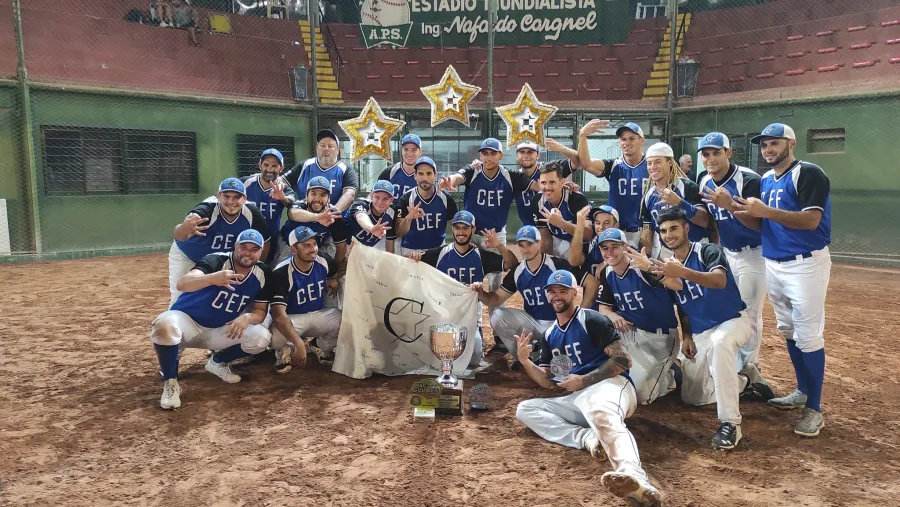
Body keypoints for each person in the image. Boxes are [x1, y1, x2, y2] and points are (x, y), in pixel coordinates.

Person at [514, 270, 662, 506]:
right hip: (579, 396)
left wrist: (584, 380)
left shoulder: (592, 320)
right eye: (552, 291)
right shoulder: (550, 334)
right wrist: (525, 361)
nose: (557, 296)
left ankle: (635, 477)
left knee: (601, 412)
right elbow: (546, 381)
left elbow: (623, 361)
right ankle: (588, 438)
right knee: (525, 409)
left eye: (563, 291)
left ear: (575, 293)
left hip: (610, 385)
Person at [634, 208, 774, 450]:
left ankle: (730, 423)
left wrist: (682, 272)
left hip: (733, 320)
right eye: (664, 231)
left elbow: (718, 281)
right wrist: (687, 336)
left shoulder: (707, 250)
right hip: (701, 331)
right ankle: (745, 380)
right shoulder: (670, 266)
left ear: (686, 228)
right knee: (694, 397)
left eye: (674, 228)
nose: (668, 235)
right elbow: (681, 302)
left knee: (721, 343)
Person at [733, 123, 832, 437]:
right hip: (774, 262)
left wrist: (765, 211)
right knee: (788, 329)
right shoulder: (765, 179)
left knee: (809, 335)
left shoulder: (808, 173)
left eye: (774, 143)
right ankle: (802, 390)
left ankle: (814, 410)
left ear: (791, 143)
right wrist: (734, 210)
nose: (768, 150)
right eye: (764, 145)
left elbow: (811, 220)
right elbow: (763, 224)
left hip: (806, 264)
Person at [150, 229, 274, 410]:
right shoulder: (217, 260)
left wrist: (248, 317)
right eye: (243, 247)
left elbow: (260, 311)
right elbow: (183, 283)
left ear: (261, 252)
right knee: (164, 325)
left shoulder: (263, 273)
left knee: (261, 337)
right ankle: (170, 383)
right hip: (188, 323)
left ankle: (217, 362)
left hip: (219, 330)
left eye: (254, 249)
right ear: (235, 246)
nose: (248, 253)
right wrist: (212, 278)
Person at [474, 225, 600, 366]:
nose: (525, 249)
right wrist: (480, 293)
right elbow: (496, 299)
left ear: (539, 243)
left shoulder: (556, 264)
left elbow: (592, 283)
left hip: (559, 326)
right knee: (498, 317)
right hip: (533, 325)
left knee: (566, 362)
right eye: (521, 245)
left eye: (529, 244)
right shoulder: (518, 271)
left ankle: (548, 355)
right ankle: (528, 358)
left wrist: (580, 313)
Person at [408, 211, 519, 366]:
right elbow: (409, 263)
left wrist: (499, 245)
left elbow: (512, 264)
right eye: (457, 227)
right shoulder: (439, 254)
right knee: (432, 354)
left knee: (473, 359)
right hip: (443, 315)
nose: (461, 232)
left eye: (465, 228)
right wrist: (414, 257)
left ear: (473, 230)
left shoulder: (481, 256)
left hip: (470, 317)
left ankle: (475, 337)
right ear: (452, 229)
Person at [438, 138, 535, 312]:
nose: (488, 157)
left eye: (493, 153)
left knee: (496, 282)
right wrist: (449, 181)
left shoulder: (510, 175)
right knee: (469, 278)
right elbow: (458, 177)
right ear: (480, 155)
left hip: (495, 235)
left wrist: (562, 185)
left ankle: (497, 323)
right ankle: (467, 317)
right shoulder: (473, 171)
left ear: (500, 155)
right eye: (485, 153)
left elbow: (538, 186)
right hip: (471, 234)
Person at [697, 133, 766, 371]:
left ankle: (748, 368)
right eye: (706, 154)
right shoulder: (704, 181)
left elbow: (760, 225)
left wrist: (730, 205)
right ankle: (730, 362)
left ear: (728, 152)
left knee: (749, 312)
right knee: (728, 308)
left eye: (716, 153)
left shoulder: (748, 180)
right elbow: (713, 221)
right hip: (727, 254)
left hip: (755, 253)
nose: (710, 159)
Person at [592, 228, 680, 405]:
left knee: (641, 396)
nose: (609, 252)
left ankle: (673, 375)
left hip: (660, 339)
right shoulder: (608, 273)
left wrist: (650, 267)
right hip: (629, 334)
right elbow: (603, 308)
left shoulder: (643, 266)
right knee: (594, 341)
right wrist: (612, 316)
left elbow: (677, 285)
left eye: (614, 246)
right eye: (604, 248)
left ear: (625, 246)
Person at [168, 177, 271, 306]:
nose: (231, 201)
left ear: (244, 198)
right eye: (226, 196)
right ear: (219, 196)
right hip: (188, 256)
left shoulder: (251, 213)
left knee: (221, 298)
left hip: (219, 261)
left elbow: (265, 242)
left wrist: (253, 264)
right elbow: (179, 236)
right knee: (180, 296)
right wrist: (185, 227)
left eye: (236, 197)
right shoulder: (207, 209)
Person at [269, 226, 343, 369]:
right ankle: (283, 352)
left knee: (343, 320)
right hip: (292, 318)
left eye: (314, 244)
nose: (313, 249)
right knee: (277, 339)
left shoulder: (323, 260)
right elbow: (278, 315)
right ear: (293, 249)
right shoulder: (281, 272)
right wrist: (298, 343)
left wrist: (333, 278)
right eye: (306, 246)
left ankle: (320, 346)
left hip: (317, 314)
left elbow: (335, 270)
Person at [576, 121, 648, 248]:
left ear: (642, 140)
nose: (626, 142)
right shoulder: (614, 165)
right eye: (623, 139)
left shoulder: (651, 165)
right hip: (617, 230)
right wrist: (582, 136)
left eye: (631, 138)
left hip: (645, 230)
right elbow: (586, 164)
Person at [639, 142, 710, 258]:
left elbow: (704, 221)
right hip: (667, 252)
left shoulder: (687, 186)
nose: (653, 167)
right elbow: (648, 232)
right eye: (649, 163)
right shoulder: (648, 195)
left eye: (657, 162)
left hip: (695, 248)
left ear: (670, 163)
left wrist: (679, 203)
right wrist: (645, 257)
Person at [241, 148, 297, 264]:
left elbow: (291, 203)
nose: (270, 169)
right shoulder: (245, 183)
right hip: (244, 238)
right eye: (266, 165)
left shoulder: (284, 188)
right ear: (260, 165)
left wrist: (282, 198)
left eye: (274, 166)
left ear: (281, 168)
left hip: (271, 240)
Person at [394, 156, 458, 256]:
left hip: (438, 250)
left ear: (435, 175)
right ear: (415, 176)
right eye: (420, 174)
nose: (425, 178)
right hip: (411, 251)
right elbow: (399, 233)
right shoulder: (406, 199)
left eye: (429, 173)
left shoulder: (445, 198)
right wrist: (409, 218)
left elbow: (457, 226)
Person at [284, 129, 359, 212]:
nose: (326, 149)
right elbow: (281, 182)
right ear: (317, 148)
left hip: (335, 218)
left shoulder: (345, 169)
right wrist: (289, 196)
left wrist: (333, 212)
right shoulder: (304, 165)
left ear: (337, 150)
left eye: (330, 146)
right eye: (322, 145)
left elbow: (350, 194)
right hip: (305, 217)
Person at [532, 161, 592, 258]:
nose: (547, 187)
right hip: (557, 240)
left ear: (562, 182)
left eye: (552, 182)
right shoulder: (538, 201)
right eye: (543, 183)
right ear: (539, 183)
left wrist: (561, 223)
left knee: (573, 260)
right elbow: (544, 233)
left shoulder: (576, 199)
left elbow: (588, 235)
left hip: (578, 243)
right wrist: (548, 260)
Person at [281, 176, 347, 262]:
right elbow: (293, 214)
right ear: (306, 196)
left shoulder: (333, 213)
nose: (317, 199)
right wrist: (318, 217)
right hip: (289, 245)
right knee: (282, 267)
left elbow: (341, 244)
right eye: (313, 194)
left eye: (323, 195)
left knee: (329, 263)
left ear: (328, 198)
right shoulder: (299, 205)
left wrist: (337, 265)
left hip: (319, 247)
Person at [512, 141, 577, 228]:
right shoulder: (513, 177)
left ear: (538, 155)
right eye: (522, 152)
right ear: (517, 156)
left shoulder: (549, 169)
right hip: (529, 229)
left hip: (555, 228)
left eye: (530, 152)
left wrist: (562, 148)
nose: (526, 155)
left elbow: (577, 162)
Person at [569, 205, 620, 286]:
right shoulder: (589, 246)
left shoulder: (624, 246)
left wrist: (607, 262)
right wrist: (579, 227)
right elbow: (574, 261)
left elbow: (628, 256)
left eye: (606, 223)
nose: (601, 227)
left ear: (616, 226)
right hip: (595, 291)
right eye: (597, 223)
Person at [344, 179, 397, 251]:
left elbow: (389, 240)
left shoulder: (391, 212)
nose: (380, 202)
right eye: (377, 197)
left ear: (391, 200)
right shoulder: (361, 203)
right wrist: (371, 228)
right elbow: (361, 217)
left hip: (365, 249)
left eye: (385, 199)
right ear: (372, 196)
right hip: (344, 245)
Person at [378, 134, 423, 205]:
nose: (409, 153)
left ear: (420, 152)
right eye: (406, 149)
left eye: (414, 150)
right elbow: (374, 195)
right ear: (401, 150)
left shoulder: (424, 175)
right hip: (390, 211)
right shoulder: (390, 171)